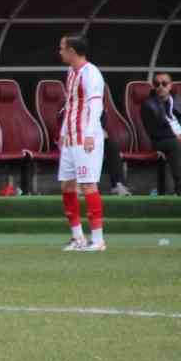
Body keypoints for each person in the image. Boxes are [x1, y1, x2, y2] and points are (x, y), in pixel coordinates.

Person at [54, 35, 108, 252]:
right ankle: (78, 237)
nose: (59, 52)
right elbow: (72, 105)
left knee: (87, 185)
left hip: (86, 137)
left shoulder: (91, 73)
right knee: (67, 184)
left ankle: (98, 240)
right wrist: (64, 131)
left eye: (62, 48)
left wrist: (89, 133)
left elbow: (96, 106)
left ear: (72, 51)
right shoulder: (71, 72)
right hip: (71, 138)